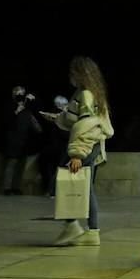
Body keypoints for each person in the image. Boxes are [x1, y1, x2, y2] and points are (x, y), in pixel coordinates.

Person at [50, 57, 115, 246]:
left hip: (85, 146)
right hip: (91, 145)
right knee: (87, 187)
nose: (71, 76)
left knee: (59, 181)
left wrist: (78, 154)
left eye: (73, 72)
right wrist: (58, 118)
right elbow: (79, 119)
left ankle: (72, 226)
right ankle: (92, 232)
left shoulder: (85, 94)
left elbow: (87, 125)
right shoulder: (92, 92)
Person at [1, 87, 42, 196]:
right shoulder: (9, 106)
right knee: (11, 164)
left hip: (24, 141)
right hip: (12, 140)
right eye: (17, 93)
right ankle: (7, 188)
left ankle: (16, 187)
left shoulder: (27, 108)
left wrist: (34, 98)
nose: (20, 95)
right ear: (13, 94)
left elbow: (35, 121)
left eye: (22, 93)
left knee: (21, 166)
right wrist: (16, 111)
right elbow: (5, 122)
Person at [38, 95, 70, 196]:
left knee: (49, 169)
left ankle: (49, 190)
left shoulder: (50, 116)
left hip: (51, 147)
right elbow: (65, 134)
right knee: (57, 171)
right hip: (60, 148)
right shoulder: (63, 117)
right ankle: (52, 191)